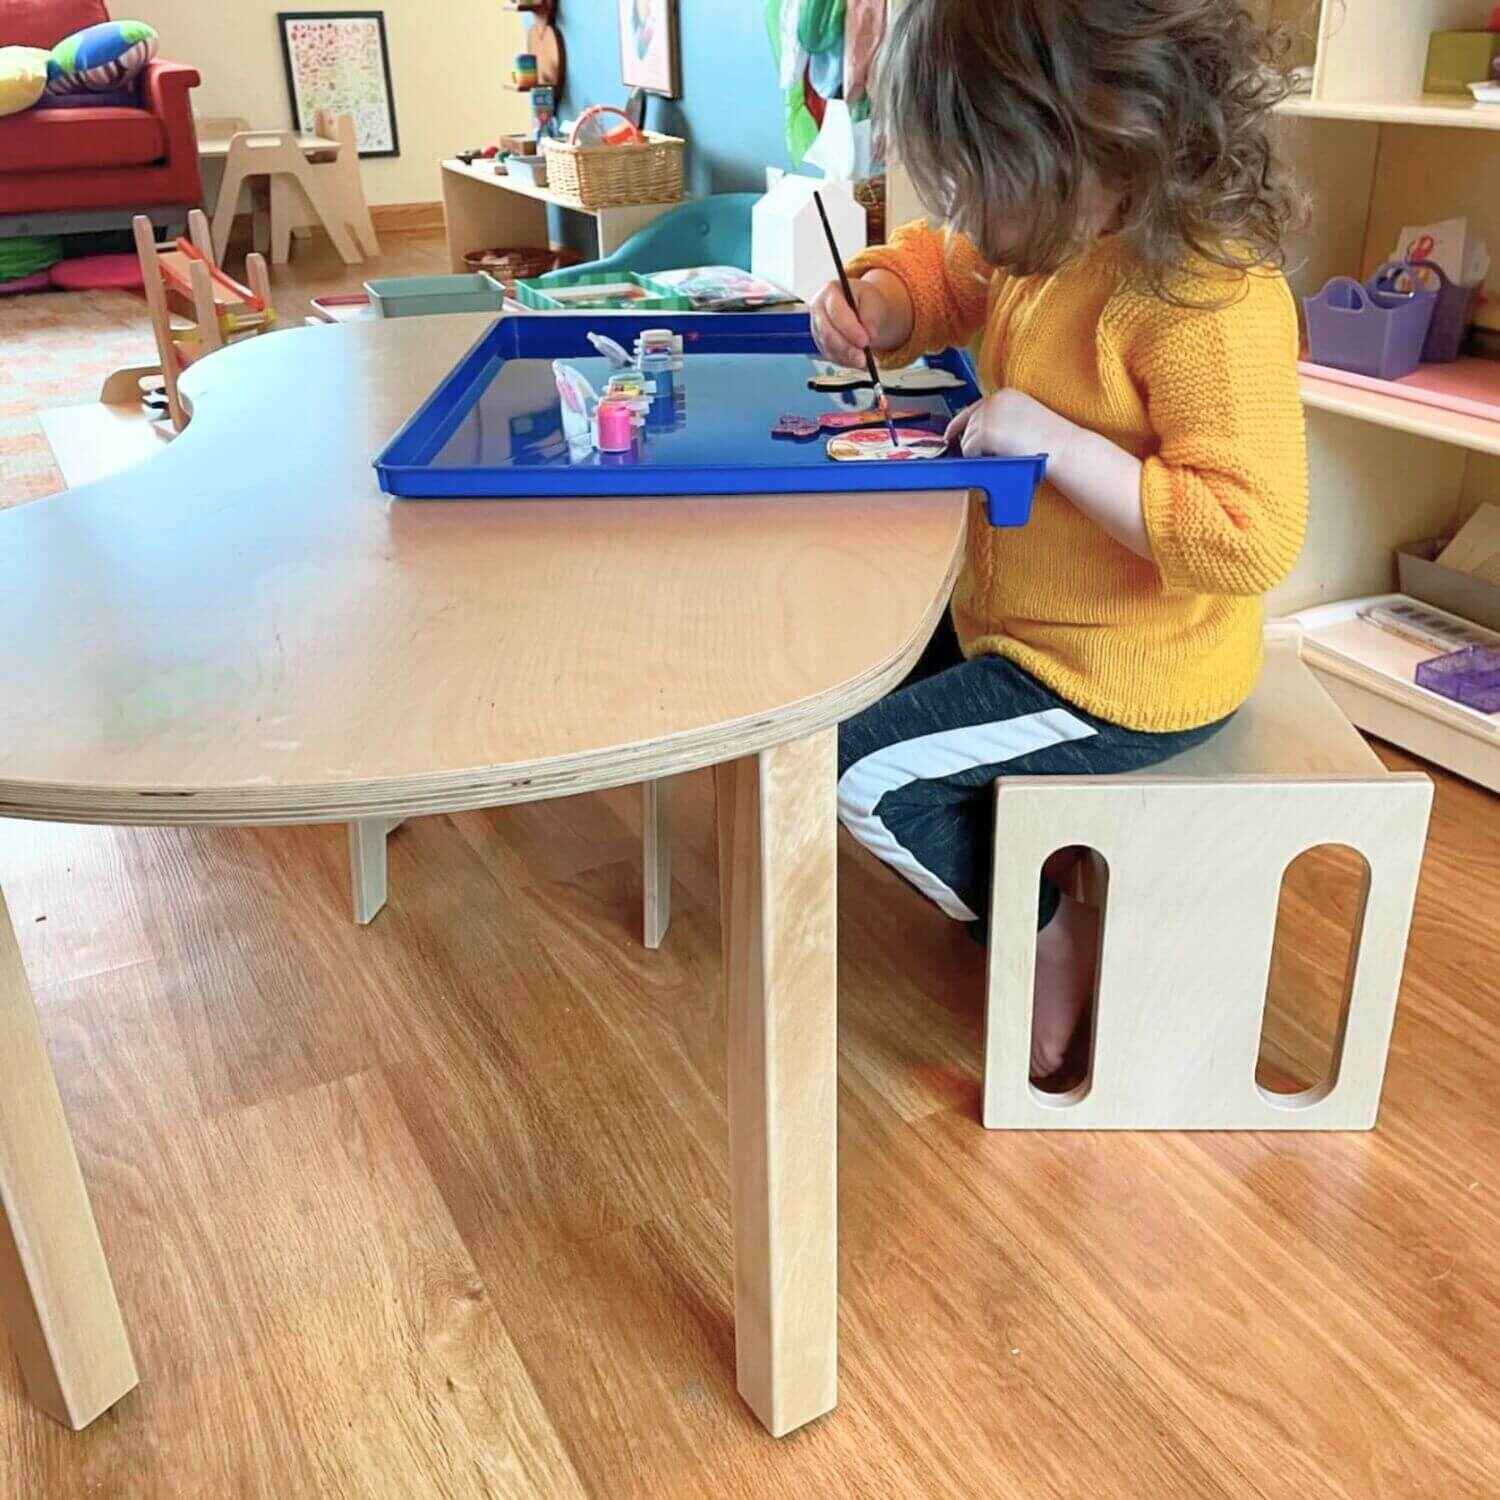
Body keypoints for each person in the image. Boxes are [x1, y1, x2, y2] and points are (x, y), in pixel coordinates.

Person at [811, 0, 1310, 1081]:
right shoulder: (1046, 224)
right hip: (1017, 624)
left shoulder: (1205, 292)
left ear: (1097, 128)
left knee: (858, 777)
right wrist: (884, 302)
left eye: (982, 182)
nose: (970, 219)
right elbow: (951, 270)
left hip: (1126, 671)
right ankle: (1024, 877)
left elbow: (1251, 536)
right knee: (833, 682)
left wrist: (1058, 444)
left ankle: (1045, 930)